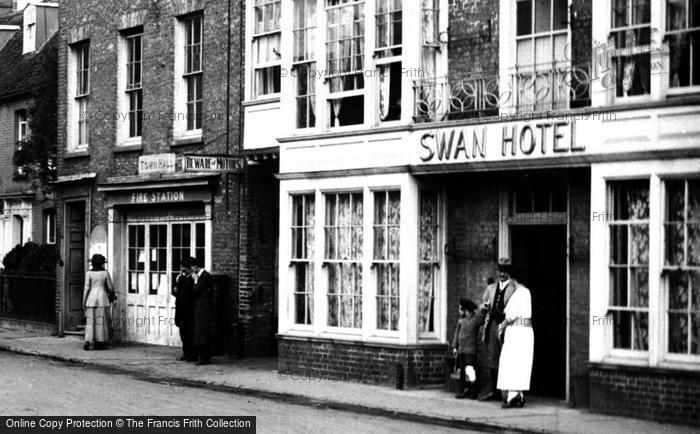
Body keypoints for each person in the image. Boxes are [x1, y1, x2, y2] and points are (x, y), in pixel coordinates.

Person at [479, 258, 519, 401]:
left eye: (505, 272)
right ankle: (495, 391)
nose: (502, 274)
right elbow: (483, 304)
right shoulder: (491, 288)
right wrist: (484, 308)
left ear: (509, 273)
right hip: (493, 326)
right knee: (493, 358)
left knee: (507, 358)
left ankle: (508, 393)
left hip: (507, 327)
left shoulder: (514, 289)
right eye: (500, 271)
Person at [497, 281, 534, 408]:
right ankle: (517, 394)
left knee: (512, 362)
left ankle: (514, 395)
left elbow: (511, 316)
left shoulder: (521, 292)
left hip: (517, 331)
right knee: (518, 363)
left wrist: (501, 327)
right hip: (521, 330)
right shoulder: (522, 293)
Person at [452, 298, 487, 399]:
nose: (459, 311)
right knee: (462, 371)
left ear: (465, 310)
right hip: (461, 349)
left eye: (460, 308)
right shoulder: (461, 321)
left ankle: (473, 390)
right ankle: (463, 390)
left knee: (470, 370)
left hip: (470, 350)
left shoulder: (474, 320)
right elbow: (456, 334)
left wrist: (481, 308)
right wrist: (455, 346)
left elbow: (481, 317)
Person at [83, 253, 115, 351]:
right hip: (102, 298)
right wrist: (111, 294)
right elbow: (110, 288)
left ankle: (89, 341)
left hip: (91, 299)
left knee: (90, 321)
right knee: (101, 321)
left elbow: (86, 288)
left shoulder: (89, 273)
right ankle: (100, 342)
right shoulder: (105, 273)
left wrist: (83, 302)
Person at [172, 257, 196, 361]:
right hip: (181, 310)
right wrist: (175, 290)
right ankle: (186, 353)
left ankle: (192, 354)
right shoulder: (180, 278)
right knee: (183, 333)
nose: (183, 270)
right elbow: (176, 292)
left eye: (186, 268)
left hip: (190, 310)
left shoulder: (193, 279)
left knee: (190, 333)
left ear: (190, 268)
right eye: (183, 268)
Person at [191, 257, 214, 365]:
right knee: (201, 332)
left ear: (196, 266)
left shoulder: (204, 276)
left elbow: (196, 290)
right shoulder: (205, 276)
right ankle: (203, 356)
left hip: (203, 306)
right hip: (202, 306)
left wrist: (195, 281)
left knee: (201, 332)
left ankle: (204, 357)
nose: (192, 270)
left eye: (192, 267)